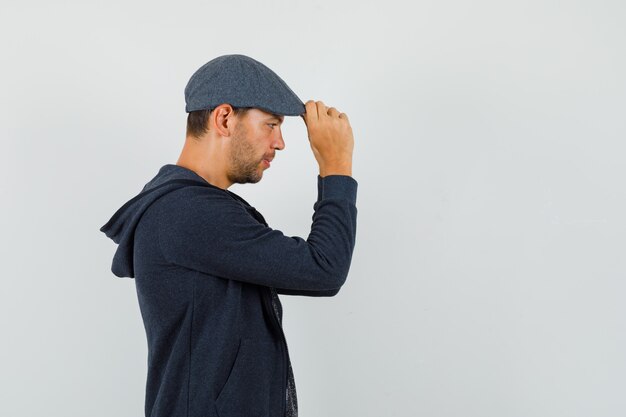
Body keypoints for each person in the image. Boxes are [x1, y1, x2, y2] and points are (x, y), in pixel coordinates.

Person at [100, 54, 358, 417]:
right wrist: (336, 168)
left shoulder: (190, 207)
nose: (280, 142)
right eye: (271, 124)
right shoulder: (187, 211)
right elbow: (323, 269)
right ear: (224, 118)